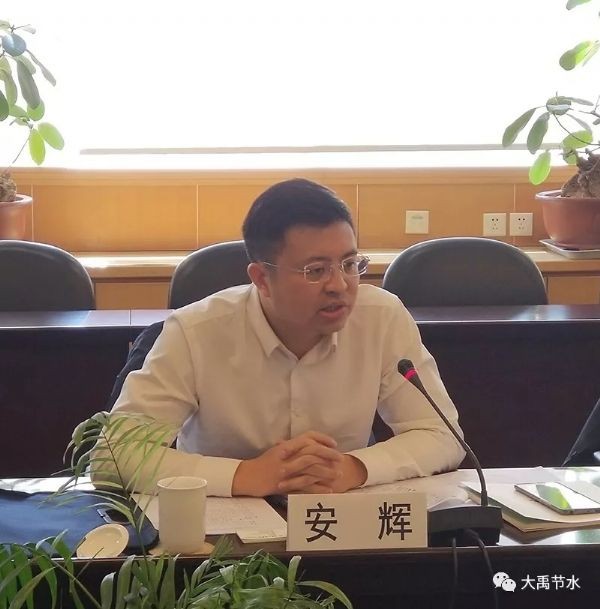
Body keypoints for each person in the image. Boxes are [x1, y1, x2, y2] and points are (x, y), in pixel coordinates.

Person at [104, 178, 465, 497]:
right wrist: (244, 475)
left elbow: (442, 435)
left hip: (339, 522)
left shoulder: (381, 318)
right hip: (220, 542)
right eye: (316, 270)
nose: (339, 285)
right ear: (261, 279)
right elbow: (114, 455)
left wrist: (354, 468)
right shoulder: (195, 332)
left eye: (349, 264)